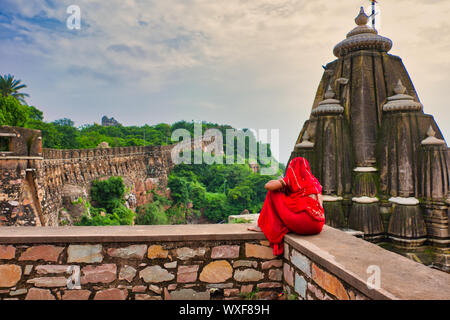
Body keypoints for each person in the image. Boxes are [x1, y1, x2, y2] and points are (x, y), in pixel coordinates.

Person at [248, 157, 325, 256]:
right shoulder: (314, 182)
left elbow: (268, 186)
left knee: (273, 194)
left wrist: (282, 181)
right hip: (318, 225)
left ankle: (261, 225)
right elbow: (320, 204)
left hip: (303, 225)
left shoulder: (292, 179)